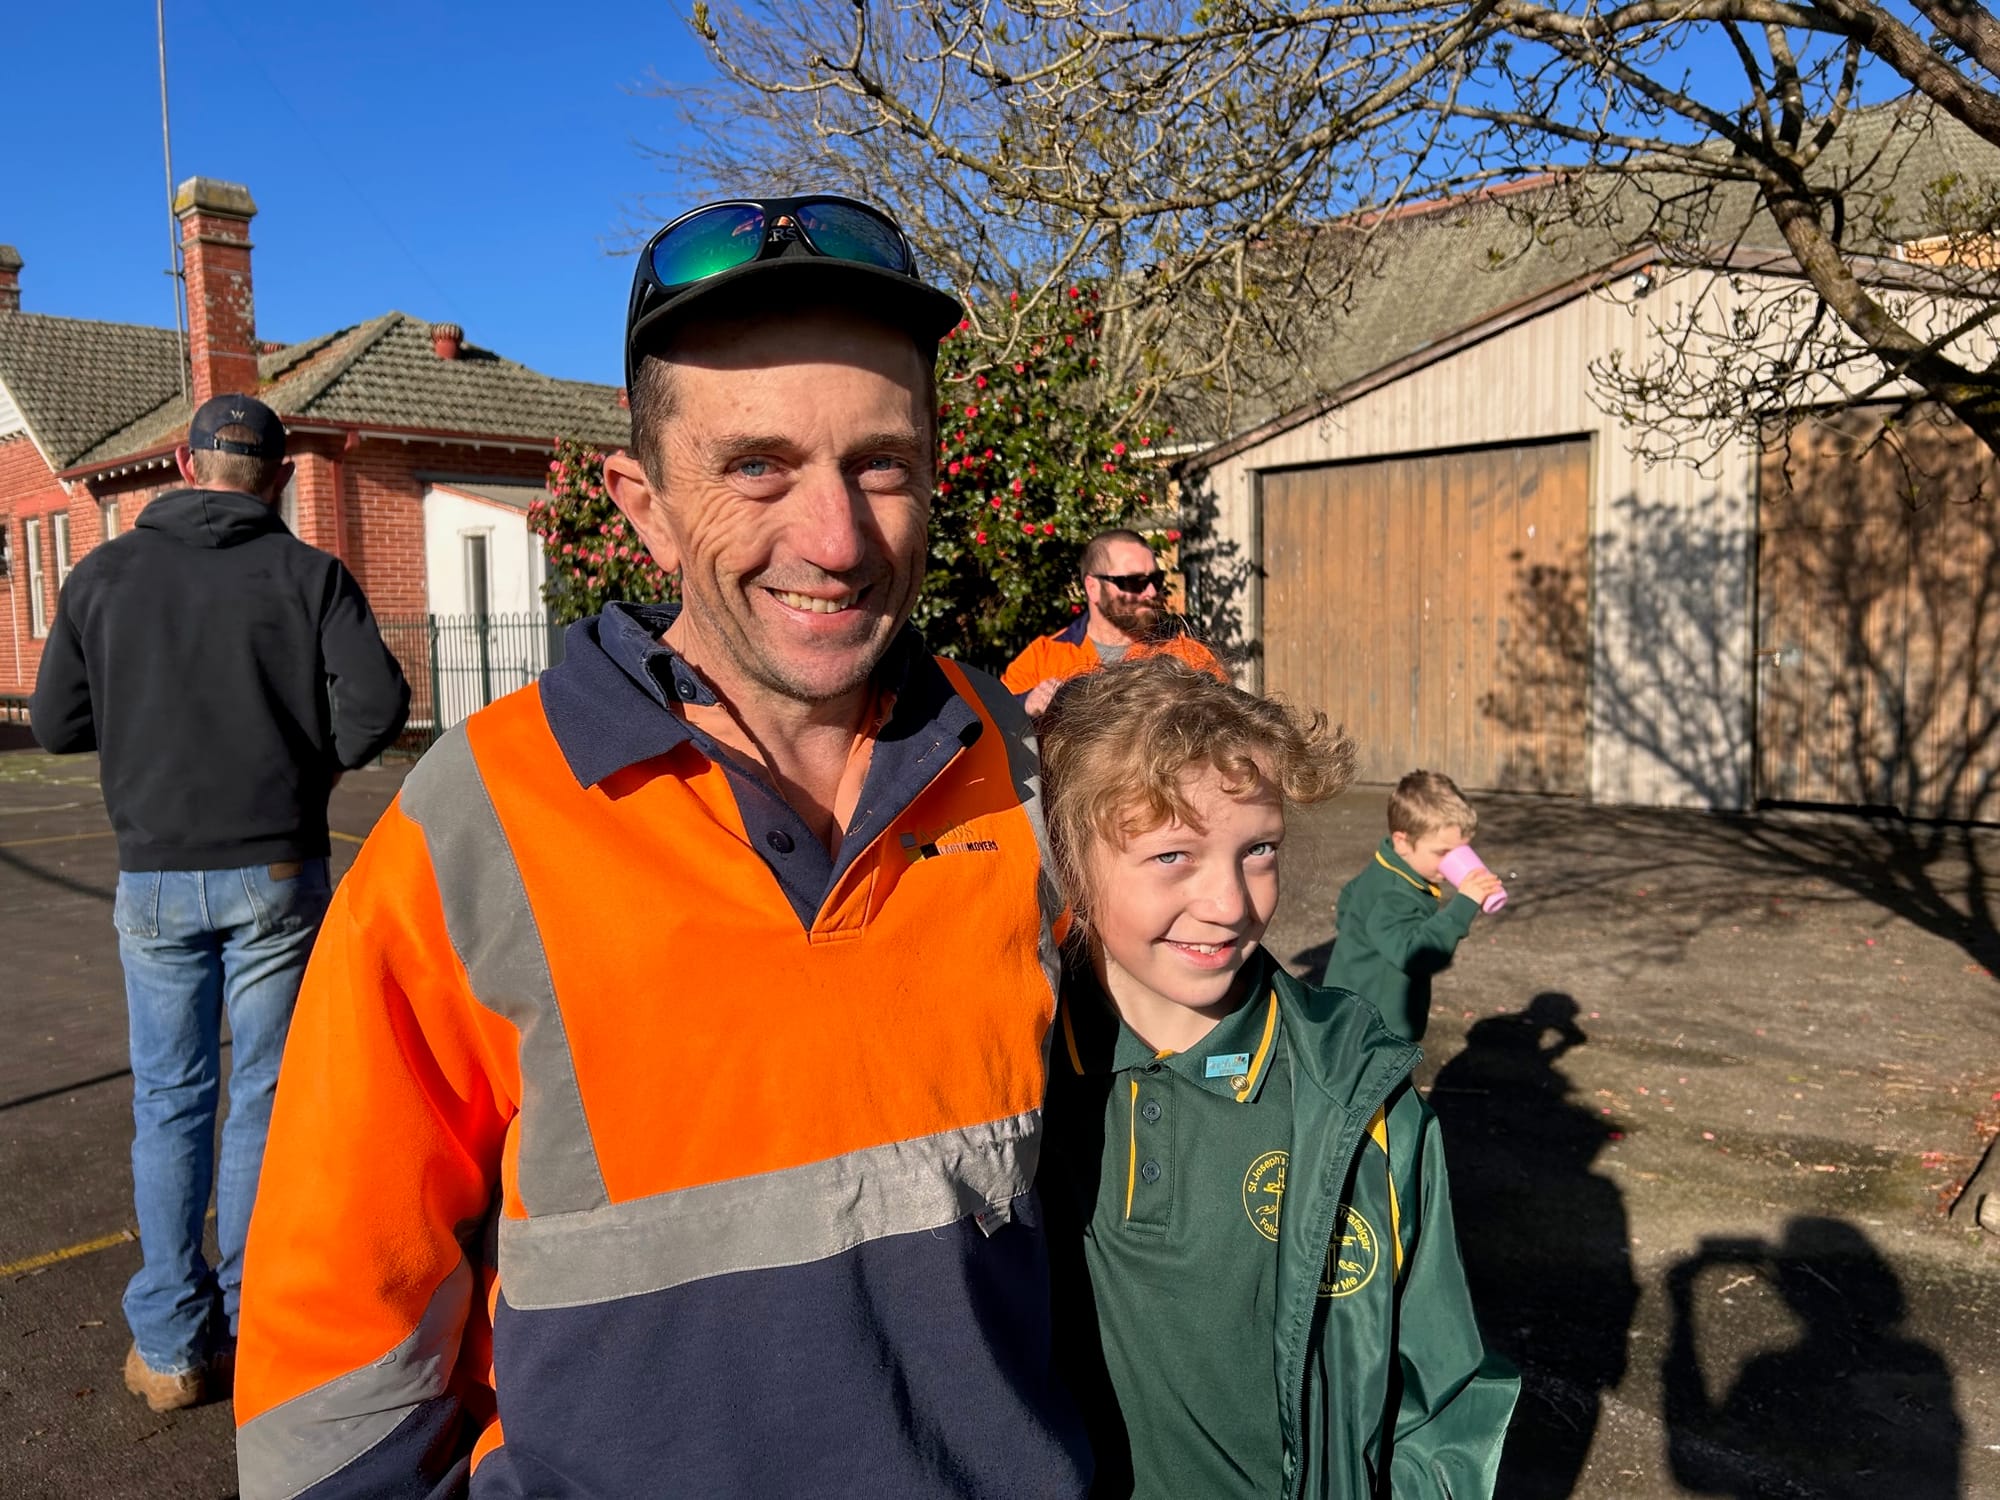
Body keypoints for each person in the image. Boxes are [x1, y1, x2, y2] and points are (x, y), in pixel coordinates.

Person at [233, 196, 1091, 1499]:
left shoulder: (1027, 771)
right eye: (756, 468)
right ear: (643, 506)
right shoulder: (482, 817)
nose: (835, 540)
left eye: (880, 464)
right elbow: (337, 1319)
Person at [1035, 656, 1517, 1499]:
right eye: (1173, 854)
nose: (1230, 903)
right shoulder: (1009, 1082)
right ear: (1069, 859)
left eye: (1258, 849)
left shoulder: (1359, 1101)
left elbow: (1441, 1405)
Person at [29, 393, 410, 1413]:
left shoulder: (104, 574)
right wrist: (309, 769)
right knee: (265, 1098)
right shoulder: (309, 574)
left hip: (156, 872)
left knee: (170, 1098)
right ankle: (253, 1319)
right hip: (276, 868)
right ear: (277, 478)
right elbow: (379, 705)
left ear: (184, 467)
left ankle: (170, 1346)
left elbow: (57, 724)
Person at [1323, 769, 1506, 1043]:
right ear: (1403, 842)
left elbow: (1348, 899)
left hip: (1353, 1009)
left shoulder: (1386, 866)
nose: (1452, 861)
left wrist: (1359, 942)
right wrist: (1464, 904)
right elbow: (1416, 954)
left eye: (1461, 851)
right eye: (1443, 852)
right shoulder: (1397, 894)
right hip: (1374, 1028)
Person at [1001, 527, 1224, 716]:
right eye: (1133, 582)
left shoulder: (1188, 657)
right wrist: (1027, 704)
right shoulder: (1044, 657)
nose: (1151, 592)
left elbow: (1228, 726)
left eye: (1156, 579)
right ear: (1093, 587)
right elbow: (994, 716)